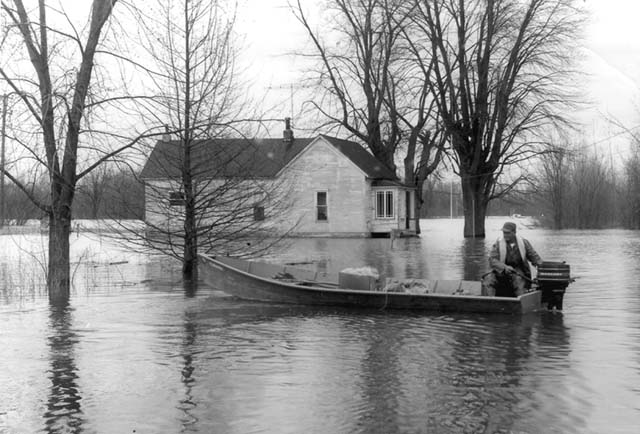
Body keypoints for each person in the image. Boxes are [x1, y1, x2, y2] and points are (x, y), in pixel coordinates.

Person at [482, 221, 542, 297]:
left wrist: (542, 266)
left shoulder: (523, 243)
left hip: (518, 270)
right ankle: (489, 302)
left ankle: (520, 303)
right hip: (499, 271)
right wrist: (504, 267)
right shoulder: (498, 243)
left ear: (514, 232)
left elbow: (534, 256)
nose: (505, 235)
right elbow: (492, 260)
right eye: (504, 233)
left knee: (519, 281)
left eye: (508, 233)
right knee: (488, 279)